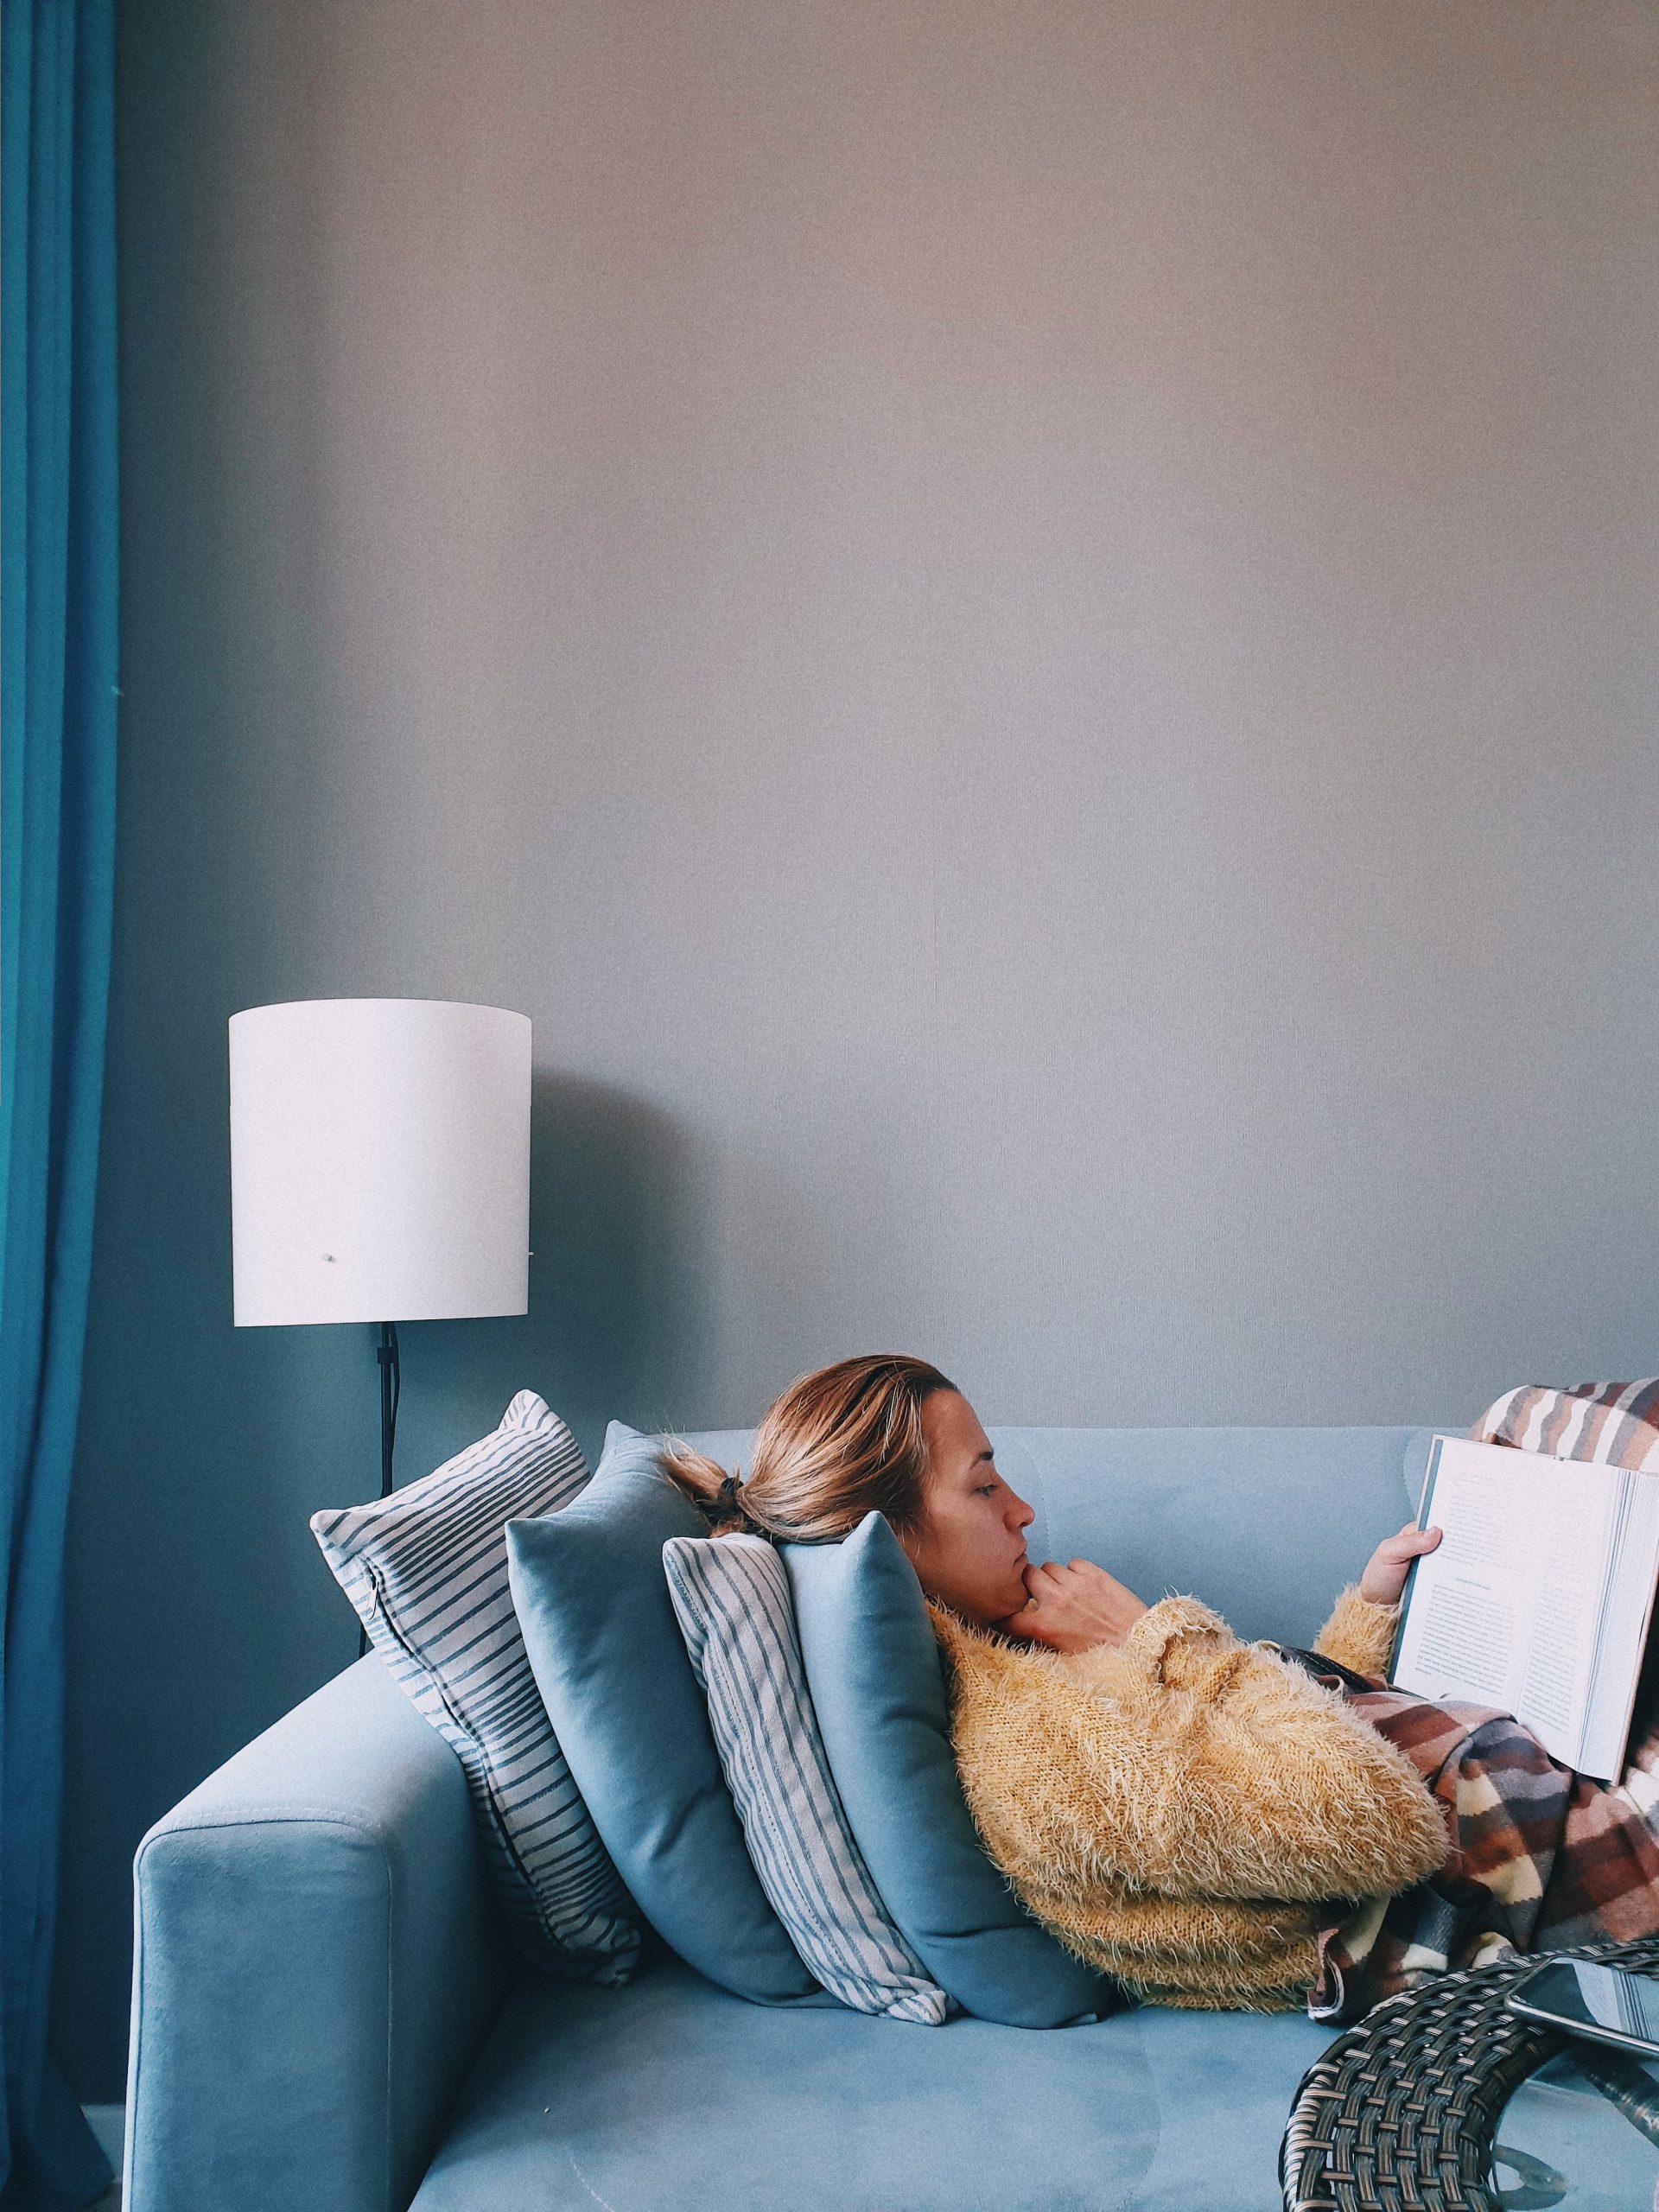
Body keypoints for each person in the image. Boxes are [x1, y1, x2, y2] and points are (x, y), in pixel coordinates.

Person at [661, 1352, 1659, 2018]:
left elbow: (1257, 1748)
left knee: (1531, 1425)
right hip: (1557, 1856)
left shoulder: (1014, 1660)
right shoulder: (1030, 1759)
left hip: (1499, 1767)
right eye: (982, 1485)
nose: (1023, 1509)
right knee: (1610, 1425)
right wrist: (1150, 1634)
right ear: (890, 1533)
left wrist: (1373, 1609)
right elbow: (1372, 1819)